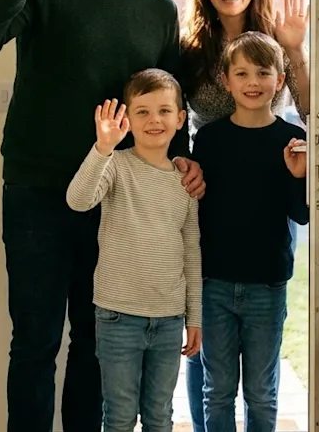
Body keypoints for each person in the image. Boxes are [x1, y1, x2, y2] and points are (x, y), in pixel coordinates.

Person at [0, 0, 205, 432]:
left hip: (118, 203)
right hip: (38, 193)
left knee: (96, 343)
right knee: (35, 341)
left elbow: (170, 99)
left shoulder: (159, 8)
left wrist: (182, 159)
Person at [176, 0, 310, 431]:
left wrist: (294, 48)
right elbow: (172, 114)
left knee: (259, 387)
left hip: (267, 191)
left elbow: (313, 112)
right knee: (209, 371)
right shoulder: (191, 48)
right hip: (212, 188)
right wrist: (183, 163)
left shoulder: (275, 42)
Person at [65, 69, 202, 432]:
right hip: (118, 317)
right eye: (142, 112)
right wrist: (103, 147)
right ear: (127, 118)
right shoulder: (115, 165)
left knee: (159, 416)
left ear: (180, 119)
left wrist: (195, 317)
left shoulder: (185, 181)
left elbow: (191, 252)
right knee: (120, 417)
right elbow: (78, 200)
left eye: (164, 111)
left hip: (169, 319)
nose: (154, 120)